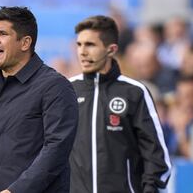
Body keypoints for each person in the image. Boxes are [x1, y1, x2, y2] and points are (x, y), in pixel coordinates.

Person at [0, 6, 78, 193]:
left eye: (2, 33)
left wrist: (15, 191)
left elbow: (56, 150)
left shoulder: (56, 87)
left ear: (25, 43)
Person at [69, 15, 171, 193]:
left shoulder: (134, 92)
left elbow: (155, 154)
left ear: (111, 49)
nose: (82, 52)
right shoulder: (66, 90)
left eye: (90, 45)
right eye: (79, 45)